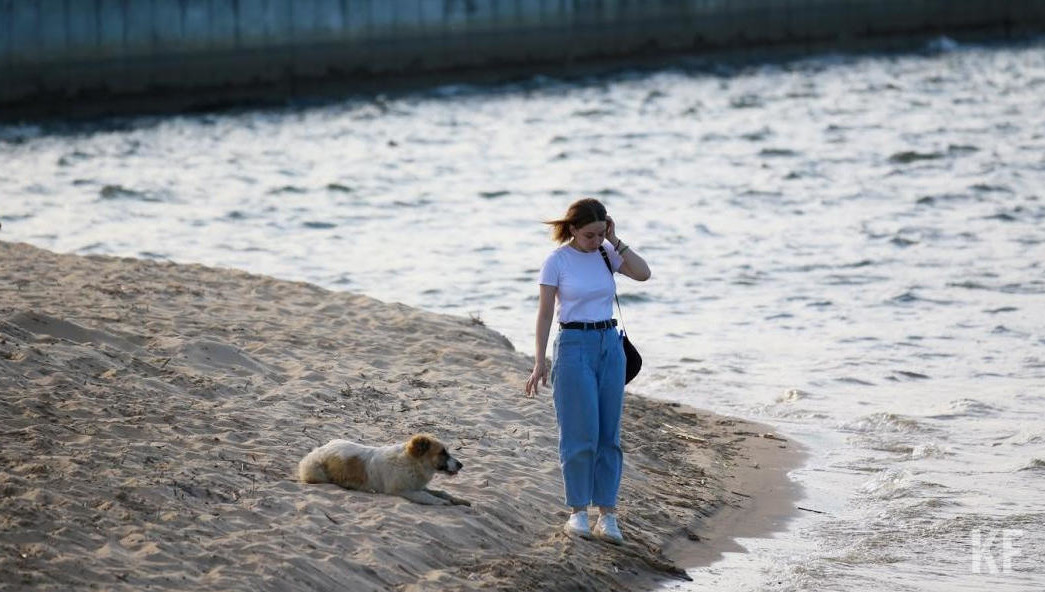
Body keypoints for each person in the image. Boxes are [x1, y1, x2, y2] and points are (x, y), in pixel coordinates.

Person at [524, 198, 651, 544]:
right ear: (573, 229)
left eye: (600, 233)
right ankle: (578, 512)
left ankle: (607, 516)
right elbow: (545, 313)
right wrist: (539, 361)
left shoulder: (607, 253)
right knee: (581, 434)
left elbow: (643, 273)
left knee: (609, 435)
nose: (595, 241)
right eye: (590, 235)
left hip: (610, 346)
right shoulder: (556, 261)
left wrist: (615, 239)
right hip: (573, 345)